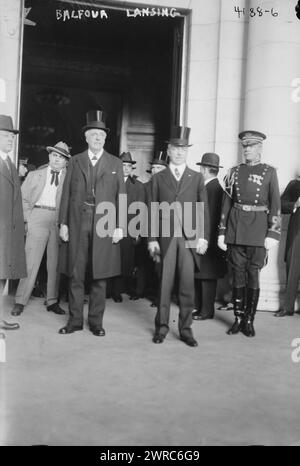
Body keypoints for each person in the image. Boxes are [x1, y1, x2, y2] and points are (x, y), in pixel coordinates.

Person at [58, 110, 125, 336]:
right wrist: (63, 223)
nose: (98, 138)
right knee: (76, 273)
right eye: (93, 134)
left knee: (100, 274)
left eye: (101, 135)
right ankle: (75, 321)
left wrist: (120, 226)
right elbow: (66, 194)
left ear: (105, 139)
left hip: (104, 223)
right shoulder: (75, 161)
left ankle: (96, 323)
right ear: (86, 137)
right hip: (78, 221)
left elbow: (121, 198)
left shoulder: (115, 163)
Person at [148, 126, 209, 347]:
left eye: (183, 149)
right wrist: (152, 239)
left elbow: (203, 209)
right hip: (165, 236)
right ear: (169, 150)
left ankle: (186, 330)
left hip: (188, 237)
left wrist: (202, 237)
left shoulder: (196, 177)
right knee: (164, 284)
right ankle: (161, 328)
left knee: (186, 286)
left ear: (187, 152)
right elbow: (152, 208)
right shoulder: (159, 177)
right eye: (175, 149)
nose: (179, 153)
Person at [218, 130, 281, 337]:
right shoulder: (233, 171)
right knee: (237, 274)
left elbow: (275, 204)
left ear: (260, 149)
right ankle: (237, 317)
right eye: (245, 147)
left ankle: (249, 319)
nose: (247, 150)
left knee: (253, 275)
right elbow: (226, 203)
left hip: (258, 229)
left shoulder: (270, 172)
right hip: (236, 228)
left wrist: (273, 233)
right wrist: (222, 231)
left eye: (251, 147)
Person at [11, 142, 70, 317]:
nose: (56, 159)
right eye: (54, 155)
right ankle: (20, 300)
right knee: (30, 261)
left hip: (59, 220)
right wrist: (29, 218)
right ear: (49, 157)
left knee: (55, 263)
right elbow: (22, 199)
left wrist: (66, 224)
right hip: (38, 215)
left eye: (61, 157)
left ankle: (52, 301)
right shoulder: (35, 175)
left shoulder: (70, 178)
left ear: (66, 161)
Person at [0, 115, 27, 333]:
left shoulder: (9, 163)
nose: (11, 140)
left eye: (12, 136)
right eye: (6, 136)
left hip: (9, 232)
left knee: (2, 275)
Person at [193, 153, 226, 320]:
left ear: (204, 169)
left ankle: (206, 311)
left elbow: (209, 217)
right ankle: (201, 308)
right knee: (201, 275)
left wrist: (203, 238)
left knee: (207, 277)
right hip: (206, 239)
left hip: (208, 240)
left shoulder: (212, 189)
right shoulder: (213, 188)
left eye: (201, 168)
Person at [110, 151, 146, 302]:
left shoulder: (138, 186)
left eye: (128, 166)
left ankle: (123, 288)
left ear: (132, 168)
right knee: (112, 258)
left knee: (127, 259)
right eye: (123, 165)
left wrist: (138, 231)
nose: (125, 168)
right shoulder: (111, 182)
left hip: (129, 227)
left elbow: (141, 209)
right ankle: (112, 290)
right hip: (111, 226)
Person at [274, 172, 300, 317]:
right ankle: (287, 307)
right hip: (297, 233)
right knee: (292, 268)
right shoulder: (294, 184)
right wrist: (294, 205)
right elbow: (280, 205)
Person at [144, 151, 168, 307]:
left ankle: (161, 298)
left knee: (162, 265)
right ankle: (153, 292)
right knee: (151, 264)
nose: (155, 170)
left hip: (164, 231)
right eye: (153, 167)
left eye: (158, 167)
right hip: (148, 229)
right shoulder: (145, 186)